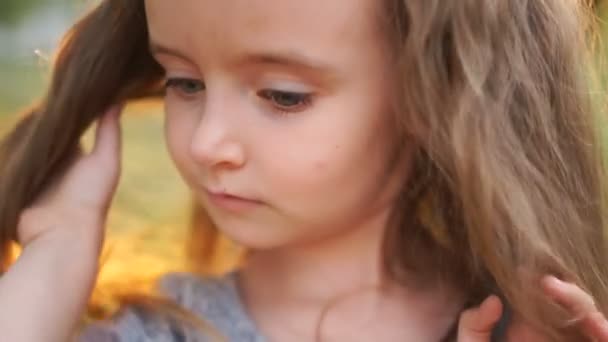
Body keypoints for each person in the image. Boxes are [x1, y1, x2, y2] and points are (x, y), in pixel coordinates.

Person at [0, 0, 607, 341]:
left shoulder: (533, 328)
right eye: (185, 81)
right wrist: (57, 257)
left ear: (433, 98)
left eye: (282, 95)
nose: (209, 141)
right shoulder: (161, 335)